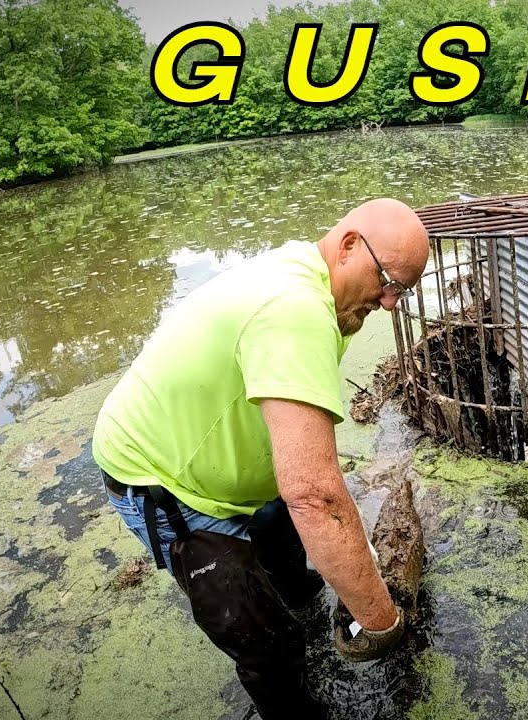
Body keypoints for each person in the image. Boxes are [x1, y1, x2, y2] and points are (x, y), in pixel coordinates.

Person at [91, 198, 431, 718]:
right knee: (266, 641)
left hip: (245, 467)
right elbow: (314, 495)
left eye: (402, 290)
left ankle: (301, 604)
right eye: (387, 279)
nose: (389, 302)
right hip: (165, 480)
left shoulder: (314, 277)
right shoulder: (295, 310)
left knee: (295, 572)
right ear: (347, 247)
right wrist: (381, 620)